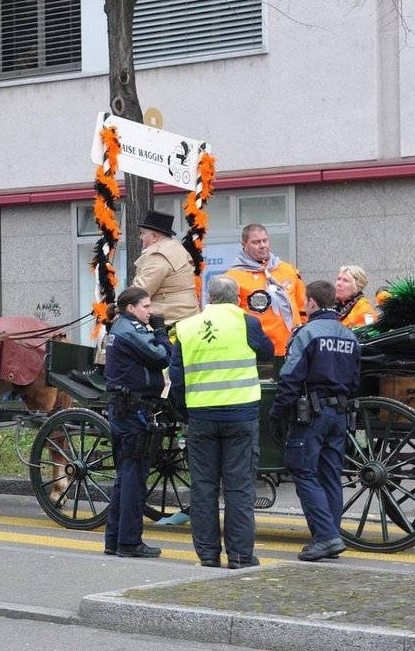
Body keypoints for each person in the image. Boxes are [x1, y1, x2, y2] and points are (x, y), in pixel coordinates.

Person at [169, 275, 274, 569]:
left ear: (208, 298)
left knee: (203, 488)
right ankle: (240, 557)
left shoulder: (186, 328)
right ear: (237, 298)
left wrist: (184, 412)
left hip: (201, 418)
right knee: (239, 487)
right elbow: (267, 352)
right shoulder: (247, 322)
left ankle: (207, 555)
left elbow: (177, 379)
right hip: (240, 416)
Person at [270, 280, 362, 562]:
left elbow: (290, 378)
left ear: (311, 303)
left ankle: (326, 537)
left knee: (303, 472)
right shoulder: (349, 335)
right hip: (339, 414)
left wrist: (277, 413)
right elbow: (356, 380)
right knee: (330, 476)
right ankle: (331, 534)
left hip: (311, 414)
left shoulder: (307, 334)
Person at [102, 287, 172, 559]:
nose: (151, 311)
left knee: (126, 477)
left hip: (128, 410)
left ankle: (115, 539)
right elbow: (162, 356)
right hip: (134, 412)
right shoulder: (129, 330)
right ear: (131, 308)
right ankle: (129, 542)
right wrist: (160, 331)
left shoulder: (124, 327)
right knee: (134, 479)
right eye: (146, 306)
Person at [226, 223, 306, 363]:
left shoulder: (288, 270)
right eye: (256, 242)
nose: (262, 245)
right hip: (258, 352)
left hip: (293, 348)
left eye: (265, 240)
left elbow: (303, 307)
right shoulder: (233, 277)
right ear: (244, 244)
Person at [130, 209, 199, 326]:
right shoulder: (175, 248)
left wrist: (117, 307)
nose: (140, 237)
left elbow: (140, 291)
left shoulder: (159, 255)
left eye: (143, 233)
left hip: (169, 323)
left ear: (154, 236)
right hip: (186, 321)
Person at [334, 265, 378, 330]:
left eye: (345, 280)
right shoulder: (334, 306)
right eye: (339, 279)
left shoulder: (364, 310)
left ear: (357, 286)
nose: (339, 284)